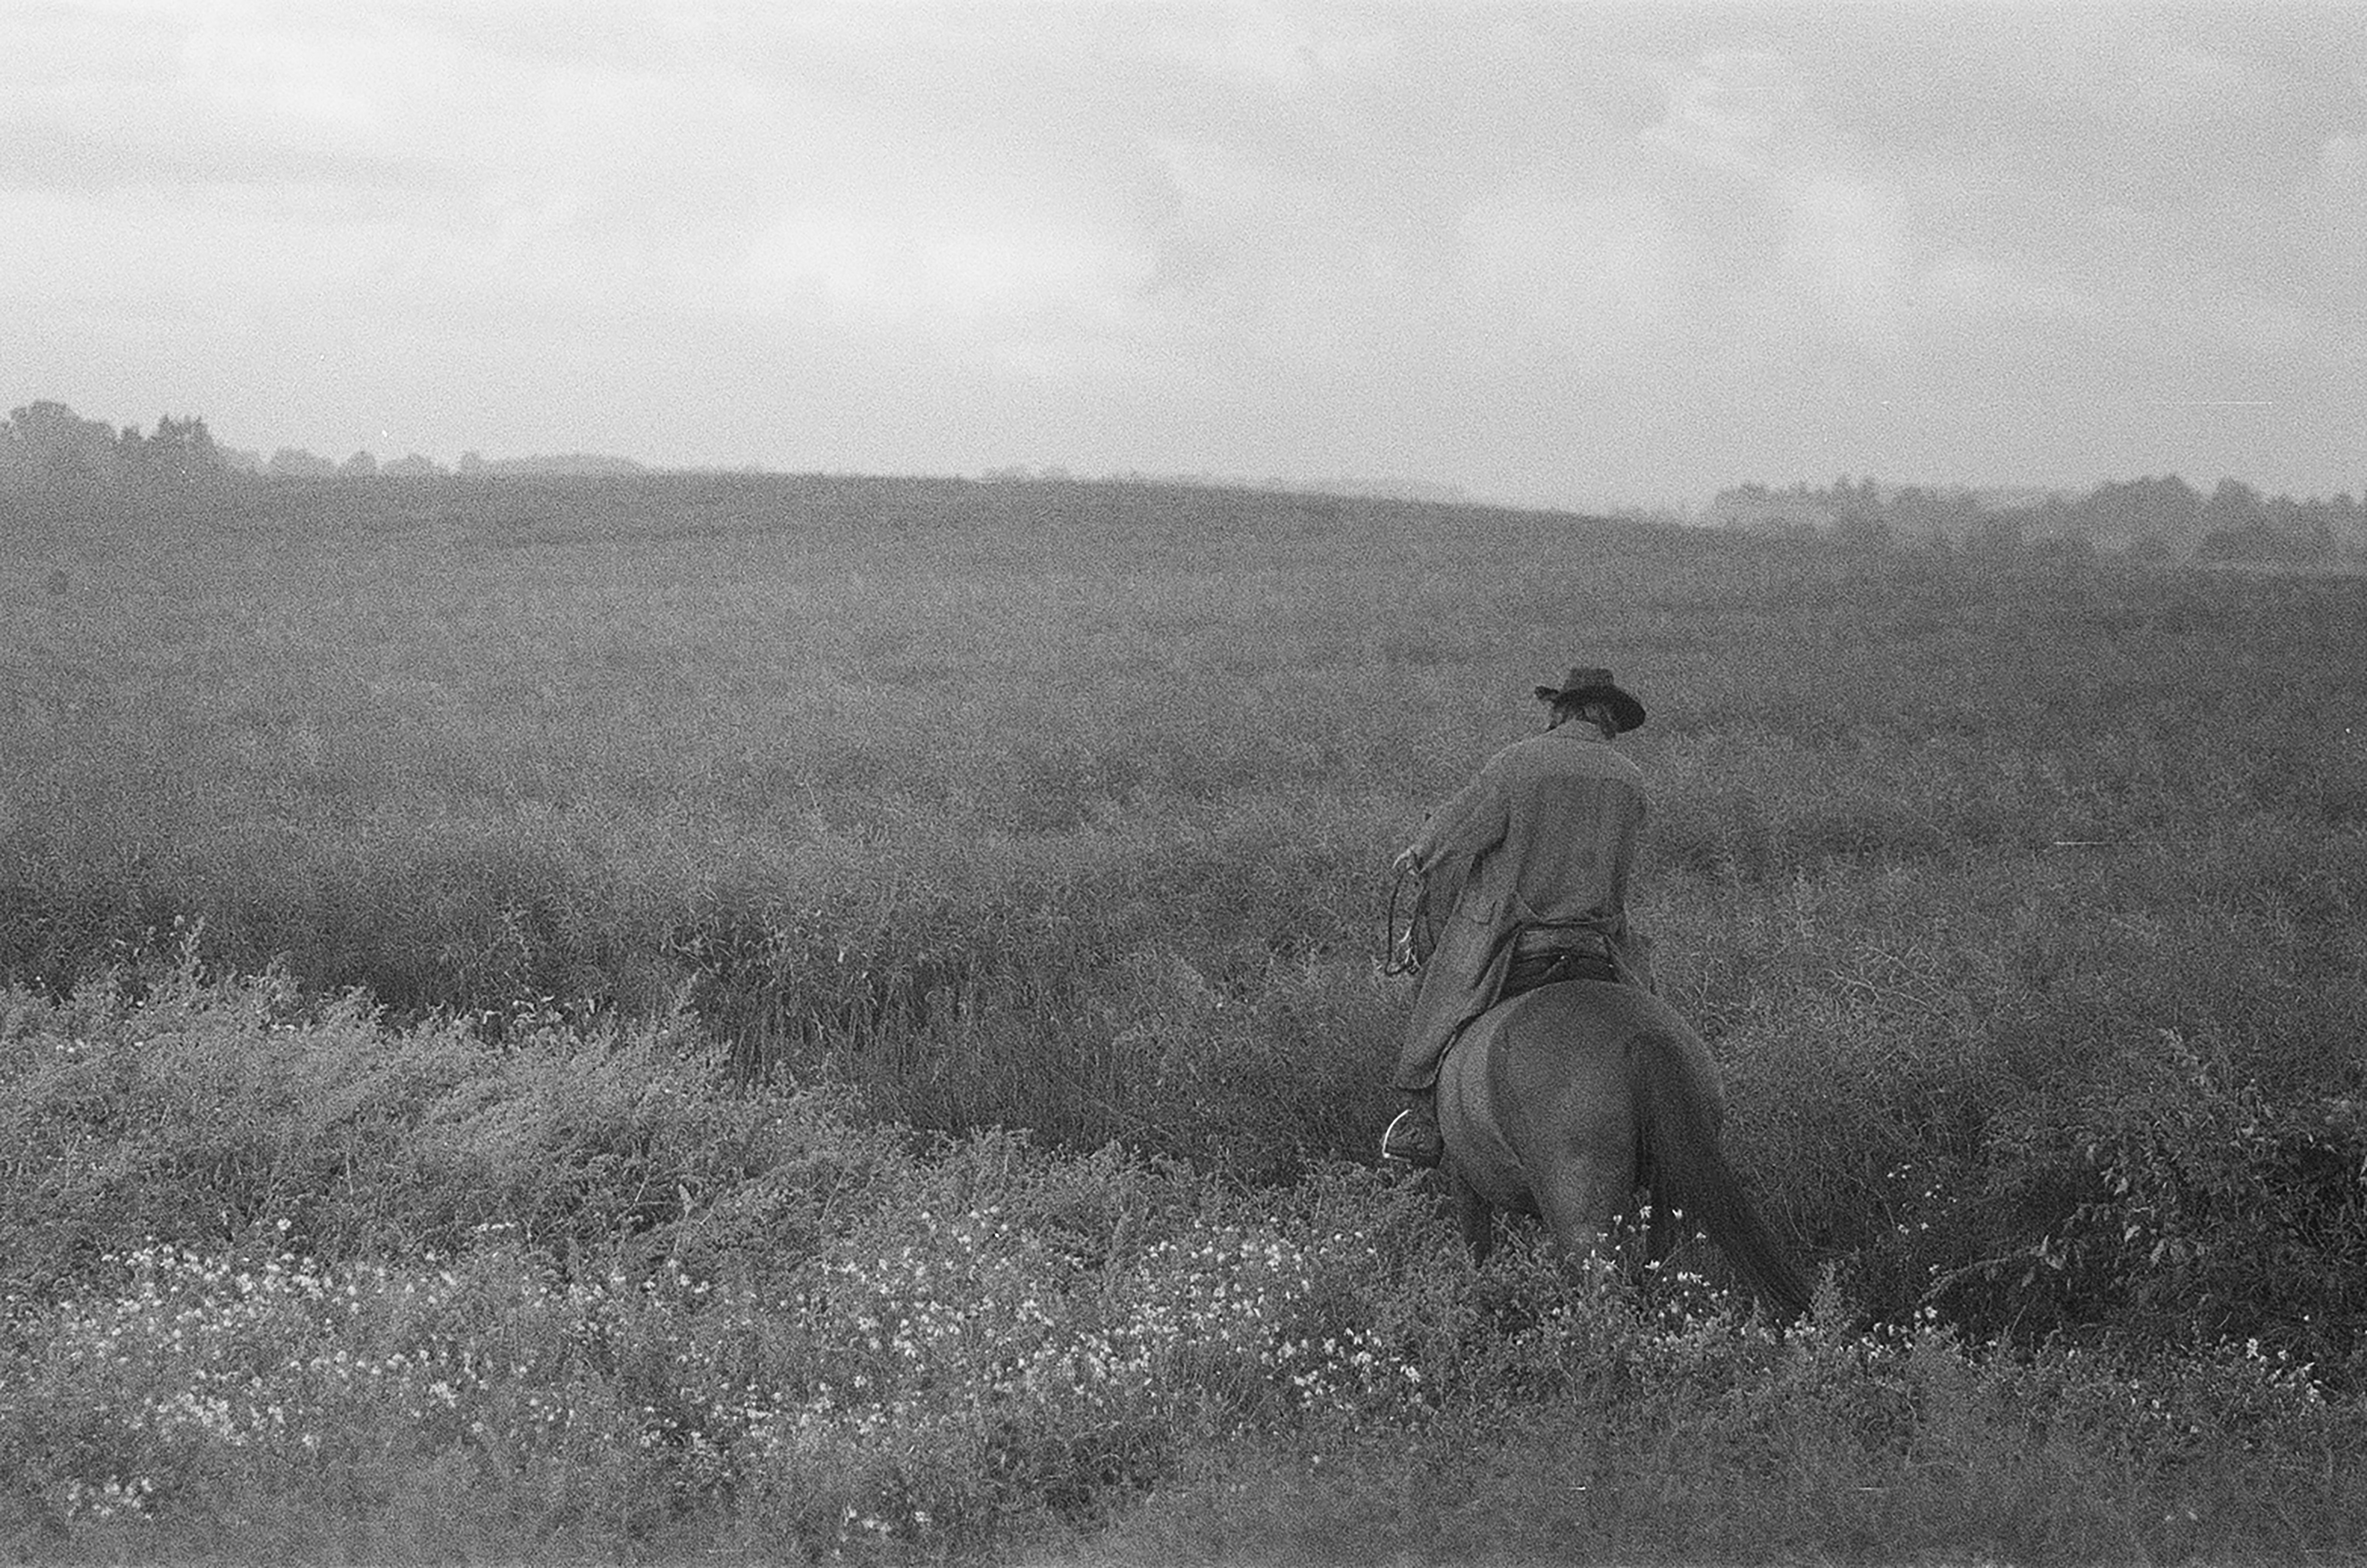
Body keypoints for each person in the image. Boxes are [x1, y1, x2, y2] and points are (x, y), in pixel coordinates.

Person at [1380, 666, 1655, 1169]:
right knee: (1655, 1017)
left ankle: (1421, 1122)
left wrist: (1419, 853)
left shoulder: (1520, 763)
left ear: (1560, 709)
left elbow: (1463, 823)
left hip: (1517, 941)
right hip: (1600, 945)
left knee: (1434, 998)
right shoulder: (1628, 779)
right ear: (1610, 718)